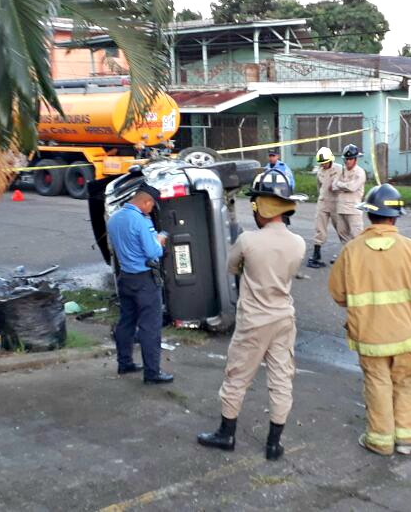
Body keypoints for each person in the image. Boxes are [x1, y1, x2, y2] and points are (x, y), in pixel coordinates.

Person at [197, 170, 306, 461]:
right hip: (284, 319)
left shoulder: (248, 241)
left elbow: (231, 267)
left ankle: (226, 433)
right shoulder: (299, 243)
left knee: (237, 376)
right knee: (282, 380)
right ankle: (273, 444)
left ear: (262, 207)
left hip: (253, 322)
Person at [329, 184, 411, 456]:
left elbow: (338, 294)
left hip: (369, 336)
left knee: (377, 384)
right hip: (407, 335)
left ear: (369, 216)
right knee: (405, 382)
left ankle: (380, 440)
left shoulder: (351, 251)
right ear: (394, 218)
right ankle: (408, 438)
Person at [106, 182, 173, 385]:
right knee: (150, 327)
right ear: (146, 201)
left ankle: (124, 363)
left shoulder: (115, 218)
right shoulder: (140, 221)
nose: (151, 210)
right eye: (152, 206)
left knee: (126, 321)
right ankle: (152, 373)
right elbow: (153, 253)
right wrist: (159, 241)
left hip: (125, 277)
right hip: (144, 281)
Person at [307, 146, 339, 268]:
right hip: (323, 202)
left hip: (336, 202)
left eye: (325, 163)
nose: (323, 165)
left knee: (341, 228)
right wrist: (321, 196)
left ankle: (348, 251)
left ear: (330, 160)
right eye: (321, 163)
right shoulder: (320, 171)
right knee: (319, 227)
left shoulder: (339, 169)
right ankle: (316, 253)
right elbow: (319, 186)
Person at [331, 144, 367, 245]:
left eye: (350, 159)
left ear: (355, 159)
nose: (347, 161)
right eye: (346, 159)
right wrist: (344, 186)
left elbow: (352, 187)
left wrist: (340, 185)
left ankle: (359, 259)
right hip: (341, 207)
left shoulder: (360, 172)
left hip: (353, 209)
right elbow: (333, 186)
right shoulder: (341, 171)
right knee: (342, 234)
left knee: (357, 236)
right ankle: (347, 257)